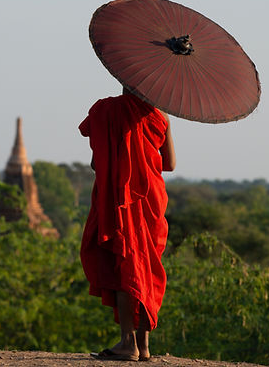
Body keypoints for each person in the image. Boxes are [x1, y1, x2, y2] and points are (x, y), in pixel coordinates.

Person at [79, 87, 176, 362]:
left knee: (127, 264)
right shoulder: (162, 115)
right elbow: (169, 164)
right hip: (151, 199)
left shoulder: (105, 111)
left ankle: (127, 342)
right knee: (145, 267)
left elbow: (96, 164)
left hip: (121, 199)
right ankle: (144, 345)